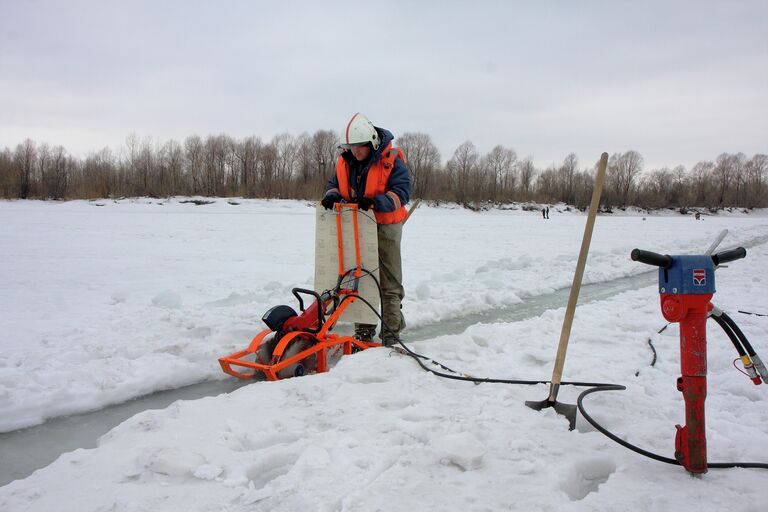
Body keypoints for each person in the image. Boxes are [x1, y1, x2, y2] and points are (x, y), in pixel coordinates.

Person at [321, 113, 411, 347]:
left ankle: (391, 332)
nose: (355, 152)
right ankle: (363, 331)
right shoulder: (345, 161)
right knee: (360, 278)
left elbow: (401, 192)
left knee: (389, 282)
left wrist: (374, 202)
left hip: (386, 227)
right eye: (350, 147)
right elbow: (335, 184)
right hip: (357, 226)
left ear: (371, 142)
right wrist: (331, 196)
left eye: (359, 147)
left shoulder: (391, 160)